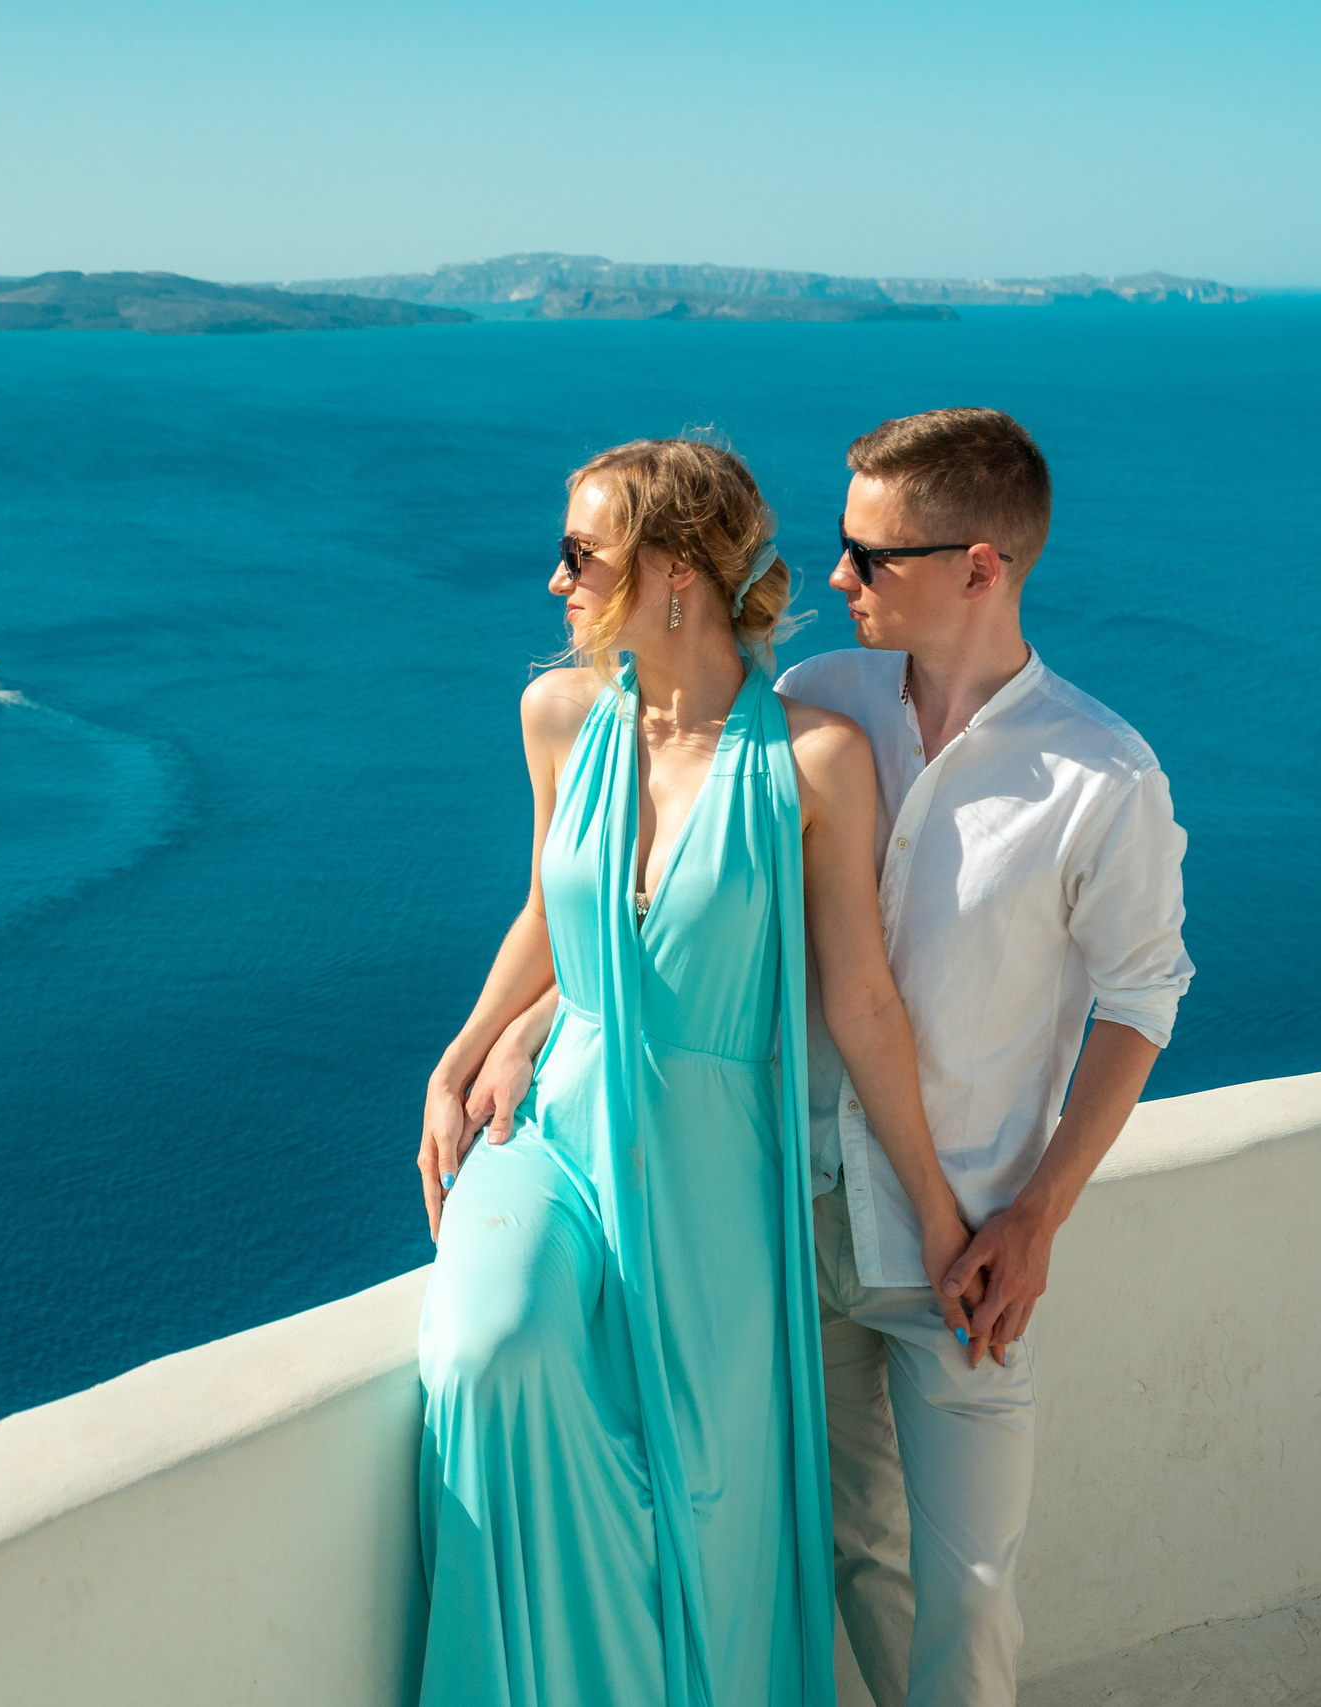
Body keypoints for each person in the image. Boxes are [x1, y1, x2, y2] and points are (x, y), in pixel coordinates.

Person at [413, 437, 973, 1707]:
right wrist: (457, 1061)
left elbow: (861, 1001)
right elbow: (549, 914)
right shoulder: (559, 717)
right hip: (553, 1129)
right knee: (485, 1354)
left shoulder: (814, 763)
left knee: (711, 1508)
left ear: (673, 569)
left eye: (579, 554)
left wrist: (937, 1212)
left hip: (719, 1161)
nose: (555, 579)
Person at [782, 408, 1194, 1706]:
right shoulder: (817, 700)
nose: (838, 576)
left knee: (966, 1585)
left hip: (958, 1249)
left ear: (979, 567)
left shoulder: (1100, 774)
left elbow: (1141, 999)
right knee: (854, 1553)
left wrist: (1038, 1213)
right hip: (790, 1217)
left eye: (870, 555)